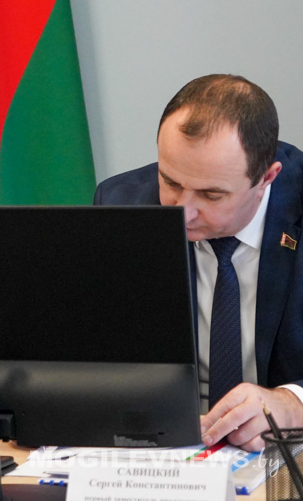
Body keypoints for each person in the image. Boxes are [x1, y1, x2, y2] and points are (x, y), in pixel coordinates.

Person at [94, 74, 303, 451]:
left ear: (267, 179)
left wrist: (293, 403)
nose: (182, 211)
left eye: (211, 195)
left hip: (284, 452)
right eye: (171, 182)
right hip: (171, 450)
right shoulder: (121, 205)